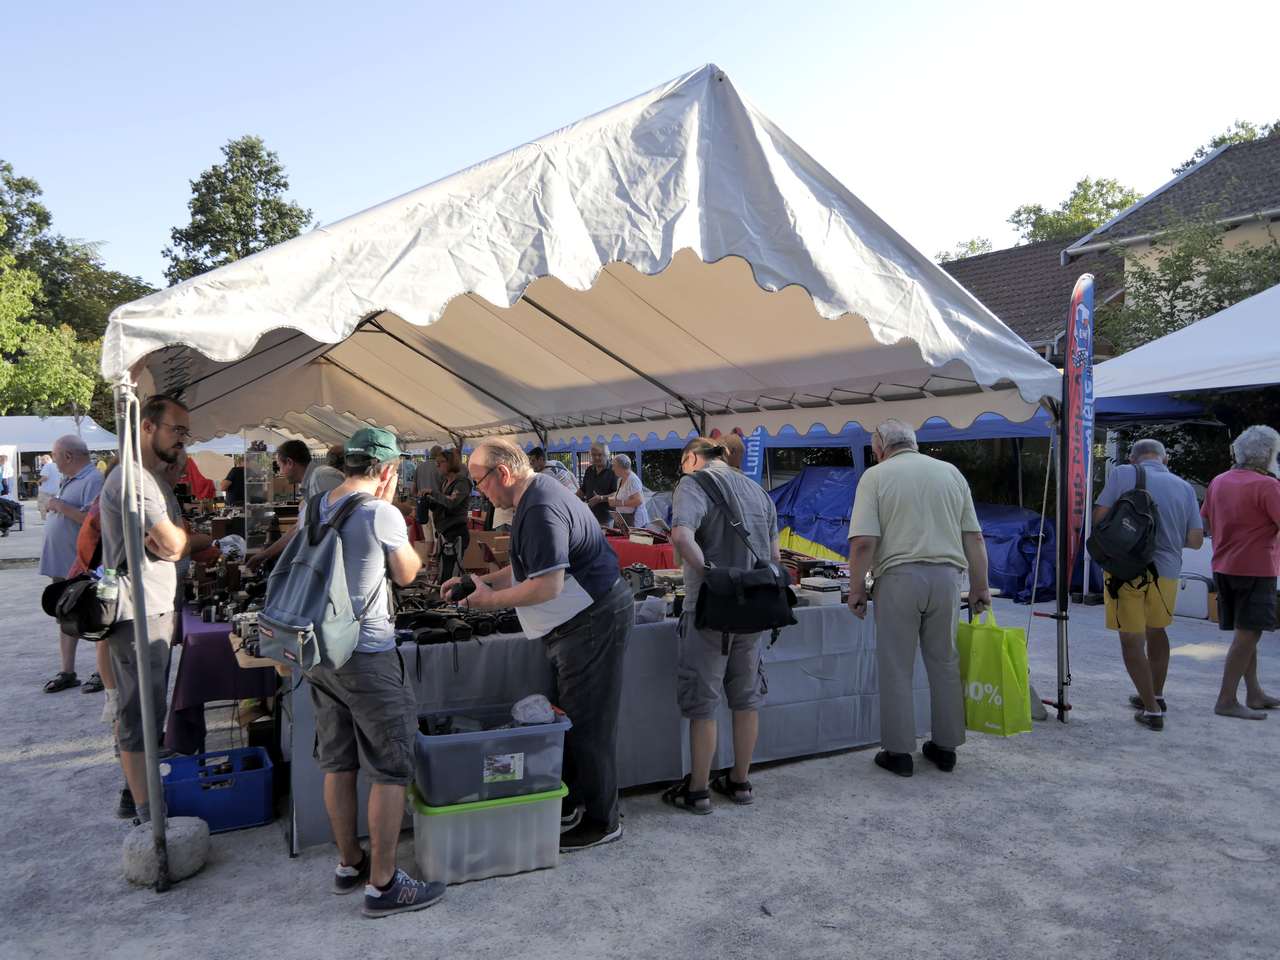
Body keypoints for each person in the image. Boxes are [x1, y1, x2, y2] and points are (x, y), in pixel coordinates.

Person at [444, 437, 632, 851]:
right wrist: (482, 582)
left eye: (479, 482)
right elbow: (533, 565)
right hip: (576, 619)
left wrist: (490, 601)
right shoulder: (537, 497)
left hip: (591, 620)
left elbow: (547, 584)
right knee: (572, 715)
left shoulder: (542, 506)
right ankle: (577, 802)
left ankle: (603, 820)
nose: (478, 491)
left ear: (504, 473)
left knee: (589, 722)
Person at [299, 427, 444, 917]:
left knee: (338, 760)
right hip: (367, 652)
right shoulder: (381, 512)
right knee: (390, 767)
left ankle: (349, 863)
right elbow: (406, 573)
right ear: (388, 469)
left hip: (320, 653)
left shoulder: (316, 503)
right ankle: (383, 886)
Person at [846, 419, 991, 777]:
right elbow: (975, 538)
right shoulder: (951, 474)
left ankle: (898, 752)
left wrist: (856, 589)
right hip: (946, 578)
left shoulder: (876, 477)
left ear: (879, 447)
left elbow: (864, 542)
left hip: (899, 577)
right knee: (944, 662)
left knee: (897, 665)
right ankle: (946, 747)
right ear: (914, 443)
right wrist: (979, 587)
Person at [663, 437, 780, 813]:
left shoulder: (692, 483)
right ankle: (740, 781)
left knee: (703, 702)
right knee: (746, 699)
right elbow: (774, 557)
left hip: (710, 607)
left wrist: (710, 572)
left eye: (683, 464)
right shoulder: (756, 489)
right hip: (754, 607)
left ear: (692, 458)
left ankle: (698, 790)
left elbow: (681, 535)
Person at [98, 395, 192, 824]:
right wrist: (172, 543)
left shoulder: (150, 481)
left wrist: (172, 541)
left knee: (148, 710)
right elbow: (173, 543)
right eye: (177, 430)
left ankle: (137, 795)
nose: (182, 441)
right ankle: (144, 810)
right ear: (148, 427)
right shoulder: (133, 479)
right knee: (139, 714)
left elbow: (176, 539)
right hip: (137, 614)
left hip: (152, 609)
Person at [1093, 438, 1203, 730]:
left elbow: (1100, 517)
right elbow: (1194, 540)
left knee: (1131, 639)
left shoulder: (1124, 475)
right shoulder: (1185, 487)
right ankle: (1155, 694)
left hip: (1126, 570)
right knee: (1157, 631)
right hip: (1167, 572)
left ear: (1133, 458)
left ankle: (1152, 711)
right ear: (1165, 460)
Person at [1200, 425, 1280, 721]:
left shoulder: (1220, 481)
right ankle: (1227, 699)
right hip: (1256, 568)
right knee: (1248, 635)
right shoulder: (1268, 486)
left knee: (1246, 634)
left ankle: (1254, 692)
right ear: (1269, 454)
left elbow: (1206, 518)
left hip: (1223, 565)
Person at [39, 435, 106, 693]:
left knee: (94, 614)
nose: (54, 462)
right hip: (65, 563)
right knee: (65, 614)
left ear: (68, 456)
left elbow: (94, 521)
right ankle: (68, 671)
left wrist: (59, 505)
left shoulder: (93, 480)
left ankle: (102, 671)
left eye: (55, 457)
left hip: (83, 564)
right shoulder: (70, 478)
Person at [247, 440, 344, 573]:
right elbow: (298, 528)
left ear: (290, 463)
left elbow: (339, 522)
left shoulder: (321, 476)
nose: (280, 472)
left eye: (280, 466)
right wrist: (265, 555)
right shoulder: (312, 480)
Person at [417, 448, 472, 584]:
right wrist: (429, 502)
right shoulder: (444, 483)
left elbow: (452, 502)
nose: (437, 465)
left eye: (440, 462)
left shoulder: (462, 482)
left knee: (451, 572)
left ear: (450, 463)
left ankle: (452, 601)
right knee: (443, 571)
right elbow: (443, 505)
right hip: (444, 532)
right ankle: (444, 598)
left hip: (456, 533)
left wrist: (433, 493)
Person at [578, 442, 618, 525]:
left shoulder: (614, 471)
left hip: (607, 518)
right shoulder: (589, 470)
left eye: (600, 455)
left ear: (607, 455)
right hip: (589, 516)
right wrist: (571, 498)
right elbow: (583, 489)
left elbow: (618, 494)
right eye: (593, 455)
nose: (596, 457)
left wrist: (601, 498)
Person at [607, 454, 649, 527]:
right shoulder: (620, 480)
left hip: (635, 522)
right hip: (623, 519)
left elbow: (638, 500)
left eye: (614, 465)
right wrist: (610, 499)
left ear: (621, 466)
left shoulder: (632, 480)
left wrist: (620, 503)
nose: (612, 468)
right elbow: (622, 495)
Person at [37, 453, 61, 520]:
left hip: (45, 489)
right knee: (54, 504)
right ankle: (54, 518)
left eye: (42, 460)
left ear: (47, 459)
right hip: (56, 489)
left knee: (41, 503)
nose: (41, 462)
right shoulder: (57, 466)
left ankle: (43, 518)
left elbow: (45, 477)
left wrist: (38, 481)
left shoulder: (46, 466)